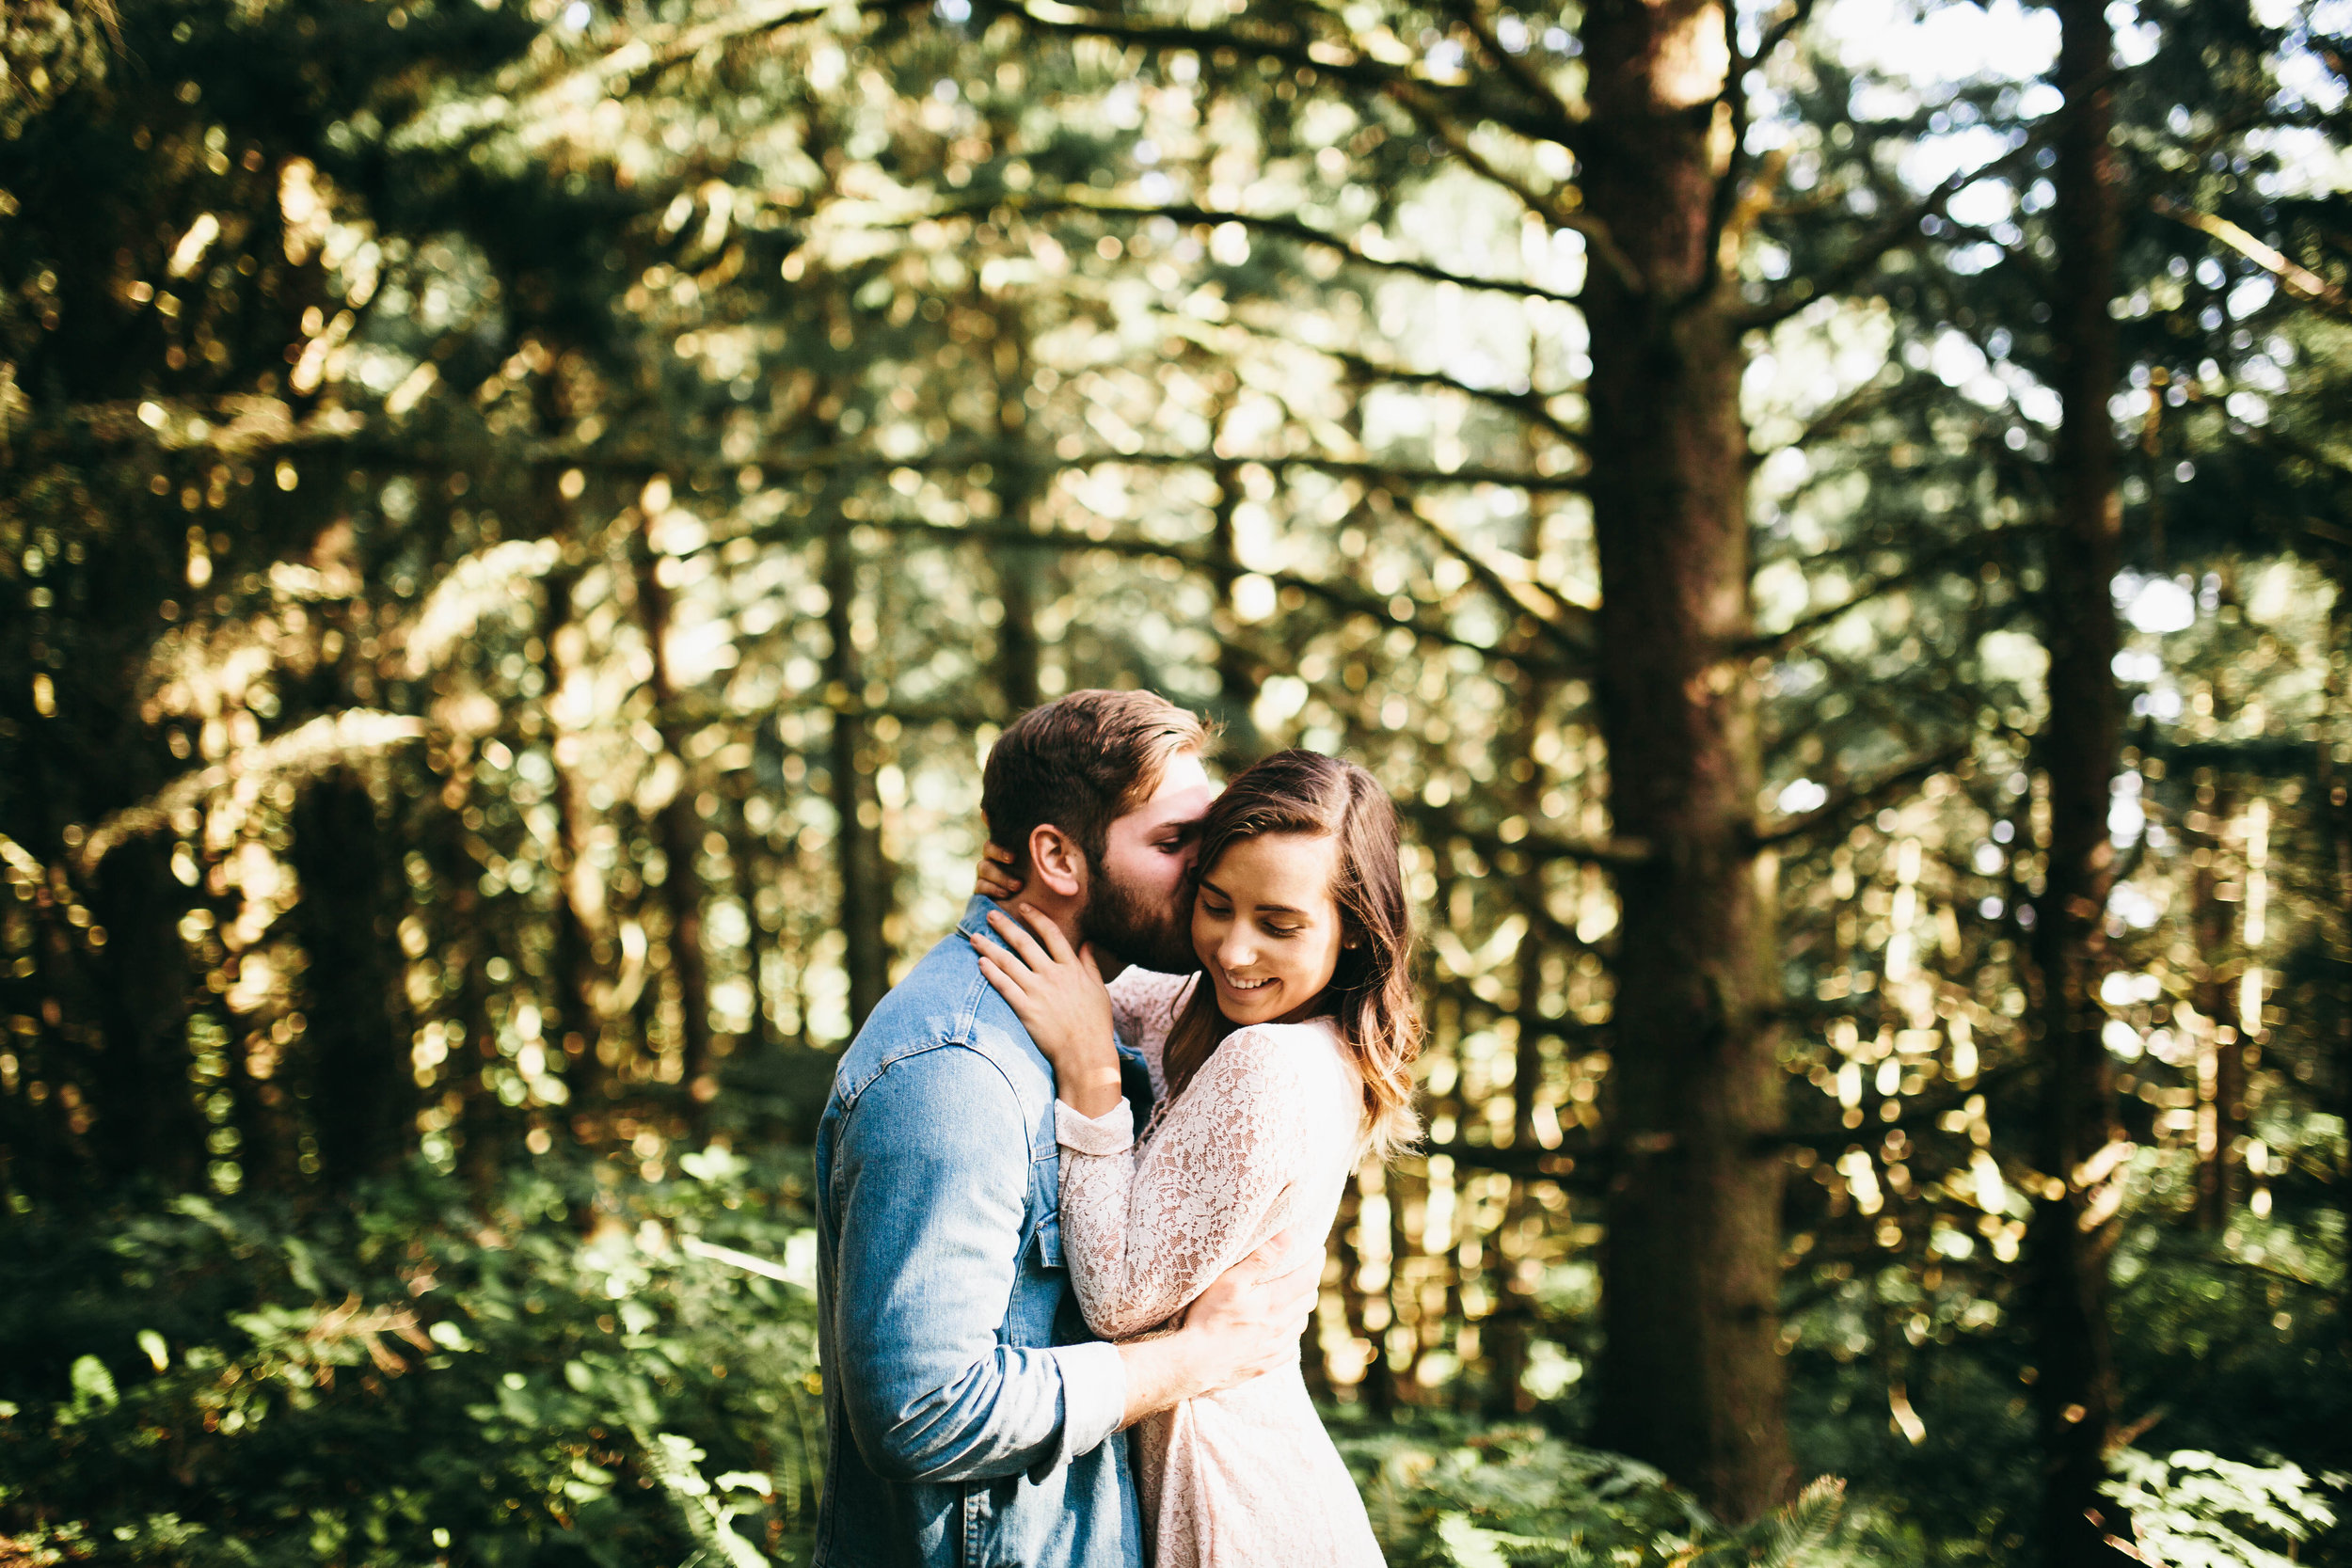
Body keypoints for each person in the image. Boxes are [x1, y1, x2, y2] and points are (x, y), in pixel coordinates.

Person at [811, 689, 1321, 1568]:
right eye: (1172, 845)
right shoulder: (956, 1074)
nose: (1207, 870)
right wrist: (1190, 1360)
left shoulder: (1086, 1018)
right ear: (1057, 855)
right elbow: (921, 1408)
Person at [971, 749, 1419, 1568]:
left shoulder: (1274, 1064)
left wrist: (1095, 1079)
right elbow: (1070, 990)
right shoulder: (1203, 1003)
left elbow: (1117, 1297)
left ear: (1356, 926)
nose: (1236, 950)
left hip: (1227, 1494)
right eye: (1217, 905)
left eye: (1280, 924)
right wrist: (1031, 891)